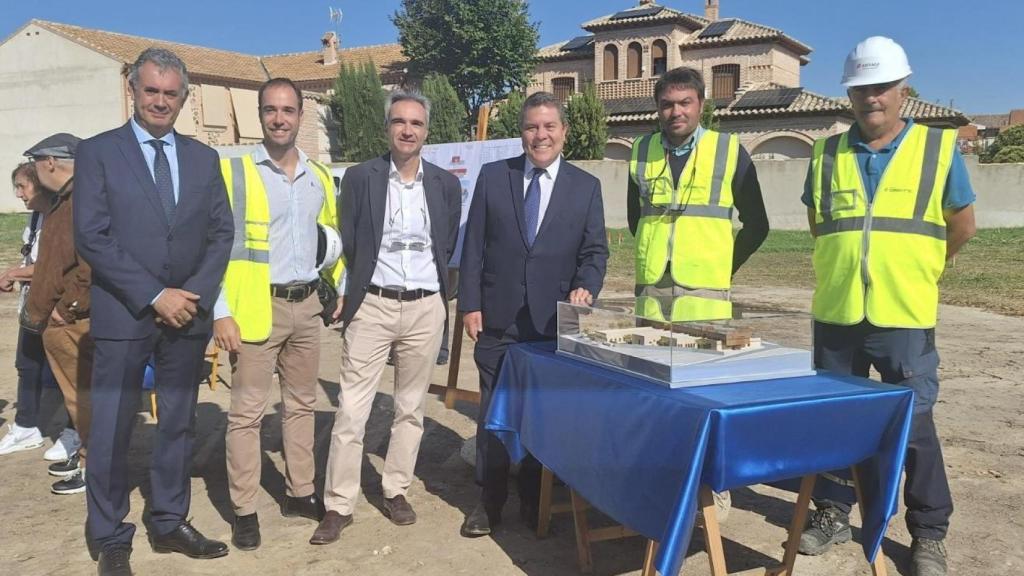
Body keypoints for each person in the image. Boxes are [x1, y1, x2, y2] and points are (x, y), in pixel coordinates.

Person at [798, 37, 976, 576]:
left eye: (881, 87)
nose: (871, 97)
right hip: (838, 312)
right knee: (835, 421)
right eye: (861, 88)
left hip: (905, 314)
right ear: (849, 94)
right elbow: (819, 225)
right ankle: (833, 511)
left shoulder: (939, 150)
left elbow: (961, 224)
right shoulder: (825, 153)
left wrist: (918, 267)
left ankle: (928, 533)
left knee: (914, 425)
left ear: (904, 91)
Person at [74, 47, 234, 575]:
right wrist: (154, 294)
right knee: (113, 428)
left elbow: (221, 233)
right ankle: (110, 534)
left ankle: (168, 520)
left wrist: (192, 293)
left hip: (187, 317)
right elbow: (93, 237)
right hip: (125, 315)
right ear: (133, 91)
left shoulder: (203, 158)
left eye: (171, 93)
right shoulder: (98, 153)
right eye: (152, 91)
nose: (161, 101)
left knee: (178, 425)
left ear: (183, 98)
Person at [310, 89, 461, 545]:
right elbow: (347, 241)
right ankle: (338, 504)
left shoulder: (445, 185)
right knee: (352, 410)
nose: (407, 130)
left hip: (425, 305)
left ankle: (395, 489)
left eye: (416, 123)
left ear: (426, 131)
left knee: (410, 408)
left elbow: (448, 245)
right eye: (399, 121)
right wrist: (345, 292)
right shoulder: (360, 178)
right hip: (372, 305)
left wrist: (441, 299)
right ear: (388, 127)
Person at [458, 91, 608, 537]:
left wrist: (587, 285)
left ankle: (534, 498)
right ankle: (489, 501)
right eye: (531, 127)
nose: (539, 136)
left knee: (543, 416)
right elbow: (473, 250)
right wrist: (469, 304)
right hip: (498, 321)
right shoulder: (492, 177)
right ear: (521, 132)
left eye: (548, 127)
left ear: (563, 132)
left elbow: (595, 251)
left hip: (551, 324)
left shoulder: (586, 187)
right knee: (493, 414)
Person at [215, 77, 343, 551]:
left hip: (306, 307)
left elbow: (332, 237)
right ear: (260, 114)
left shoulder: (320, 177)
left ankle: (299, 492)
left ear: (300, 115)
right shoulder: (236, 174)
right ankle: (245, 509)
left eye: (288, 110)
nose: (279, 118)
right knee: (246, 414)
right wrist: (220, 311)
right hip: (253, 310)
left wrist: (340, 285)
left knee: (302, 405)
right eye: (271, 110)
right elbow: (214, 250)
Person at [627, 66, 769, 323]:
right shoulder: (641, 149)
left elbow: (758, 225)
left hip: (707, 288)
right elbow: (635, 218)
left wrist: (725, 266)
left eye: (685, 103)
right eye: (667, 104)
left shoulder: (728, 150)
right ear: (658, 108)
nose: (676, 112)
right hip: (651, 284)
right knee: (650, 359)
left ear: (701, 105)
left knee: (702, 360)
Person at [22, 133, 95, 496]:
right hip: (61, 319)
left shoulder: (82, 200)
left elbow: (90, 262)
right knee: (76, 397)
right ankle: (84, 457)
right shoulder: (66, 199)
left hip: (72, 322)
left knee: (83, 397)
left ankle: (90, 467)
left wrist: (67, 308)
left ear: (50, 162)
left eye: (35, 164)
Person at [0, 162, 71, 462]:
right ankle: (26, 426)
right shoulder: (35, 217)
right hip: (34, 306)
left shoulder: (65, 214)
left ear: (40, 184)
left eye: (22, 186)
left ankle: (74, 431)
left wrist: (15, 273)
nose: (18, 194)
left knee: (68, 371)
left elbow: (53, 265)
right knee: (27, 365)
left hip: (60, 310)